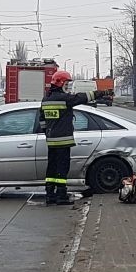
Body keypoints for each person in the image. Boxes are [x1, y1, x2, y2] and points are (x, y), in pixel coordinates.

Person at [41, 70, 110, 205]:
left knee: (51, 168)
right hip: (63, 141)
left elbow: (42, 120)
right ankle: (61, 195)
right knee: (62, 168)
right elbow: (83, 97)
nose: (67, 87)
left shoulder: (46, 100)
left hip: (51, 141)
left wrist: (48, 133)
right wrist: (102, 93)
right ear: (60, 83)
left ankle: (50, 194)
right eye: (66, 84)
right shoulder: (64, 99)